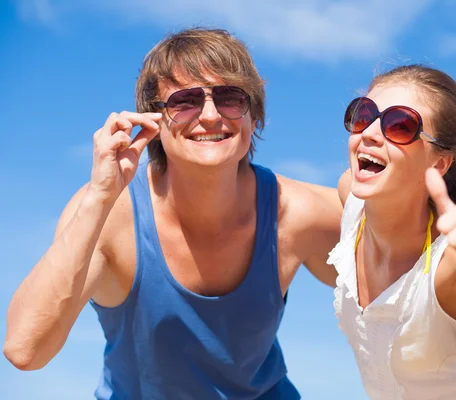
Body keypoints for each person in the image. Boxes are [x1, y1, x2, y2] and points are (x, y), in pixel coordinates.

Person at [3, 27, 343, 399]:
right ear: (153, 122)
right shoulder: (110, 215)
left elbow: (404, 258)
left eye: (230, 98)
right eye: (185, 101)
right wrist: (100, 196)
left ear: (254, 116)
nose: (211, 116)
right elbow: (25, 350)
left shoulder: (294, 212)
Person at [328, 64, 456, 400]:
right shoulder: (351, 198)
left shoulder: (448, 262)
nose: (368, 133)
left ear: (439, 163)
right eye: (363, 114)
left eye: (400, 125)